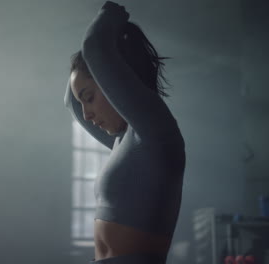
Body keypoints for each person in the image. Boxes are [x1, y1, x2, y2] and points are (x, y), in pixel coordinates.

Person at [64, 1, 186, 264]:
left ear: (113, 82)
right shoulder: (124, 141)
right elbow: (71, 104)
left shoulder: (153, 131)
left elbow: (95, 49)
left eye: (90, 97)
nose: (87, 114)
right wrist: (79, 68)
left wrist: (111, 12)